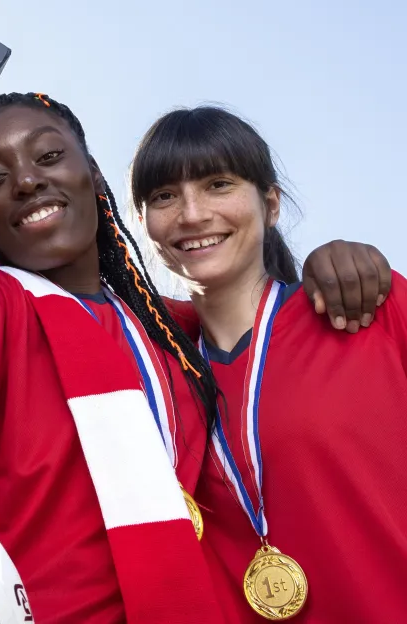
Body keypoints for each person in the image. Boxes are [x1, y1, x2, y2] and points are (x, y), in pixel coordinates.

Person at [0, 0, 388, 623]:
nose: (27, 182)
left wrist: (333, 260)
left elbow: (256, 318)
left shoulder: (169, 327)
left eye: (47, 156)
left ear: (92, 174)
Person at [130, 105, 404, 622]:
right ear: (142, 221)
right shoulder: (151, 363)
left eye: (218, 185)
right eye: (165, 195)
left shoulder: (370, 307)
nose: (192, 214)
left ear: (271, 203)